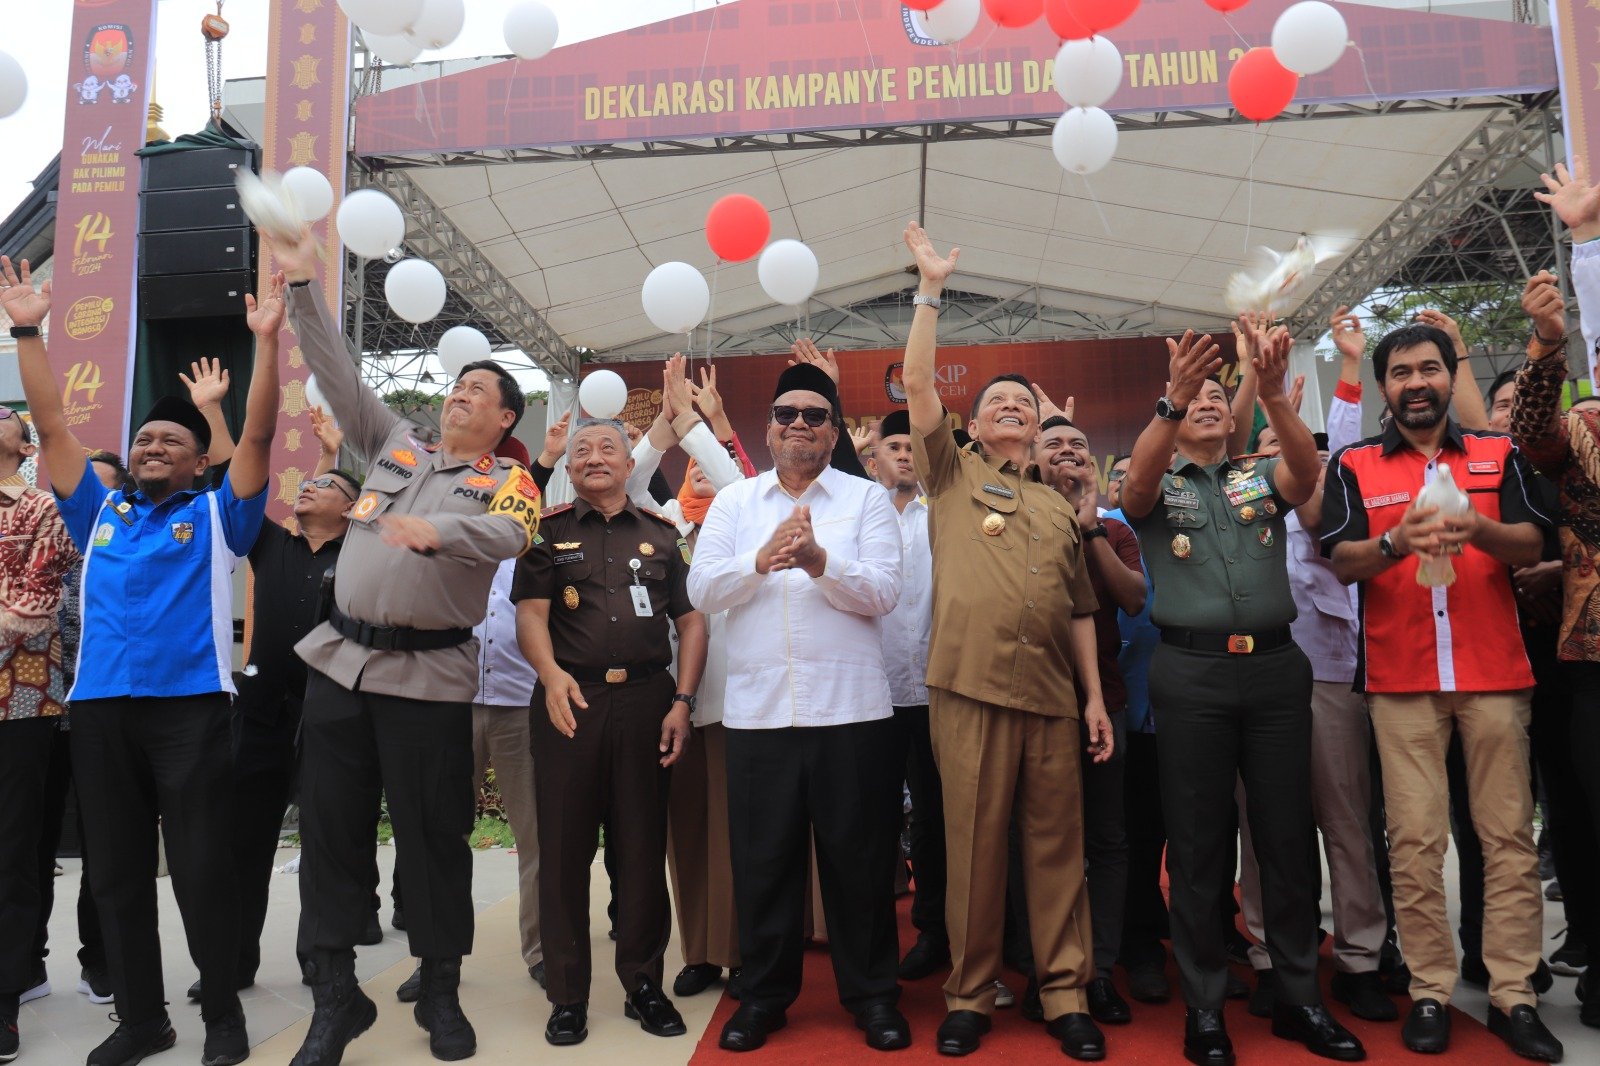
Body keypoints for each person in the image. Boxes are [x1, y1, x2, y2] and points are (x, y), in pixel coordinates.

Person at [270, 228, 542, 1066]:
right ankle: (334, 996)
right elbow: (336, 370)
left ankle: (442, 988)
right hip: (340, 667)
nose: (460, 395)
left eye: (478, 391)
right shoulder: (393, 444)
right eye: (458, 385)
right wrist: (304, 286)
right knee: (330, 832)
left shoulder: (508, 480)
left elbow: (511, 536)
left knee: (432, 838)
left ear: (503, 418)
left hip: (428, 678)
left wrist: (443, 531)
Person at [2, 255, 280, 1066]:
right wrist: (27, 331)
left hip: (190, 711)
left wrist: (267, 343)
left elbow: (258, 437)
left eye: (172, 441)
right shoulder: (97, 514)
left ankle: (221, 1014)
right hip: (99, 712)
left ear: (198, 462)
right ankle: (141, 1019)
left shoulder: (220, 518)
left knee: (199, 869)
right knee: (116, 876)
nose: (154, 445)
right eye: (145, 439)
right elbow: (53, 427)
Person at [1121, 319, 1363, 1065]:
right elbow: (1133, 490)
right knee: (1197, 846)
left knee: (1286, 838)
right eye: (1194, 401)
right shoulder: (1160, 485)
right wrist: (1172, 400)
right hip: (1190, 675)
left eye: (1217, 400)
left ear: (1236, 419)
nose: (1207, 405)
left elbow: (1305, 475)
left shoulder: (1257, 479)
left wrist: (1277, 397)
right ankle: (1203, 1007)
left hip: (1275, 670)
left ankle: (1297, 997)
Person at [899, 222, 1111, 1061]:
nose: (1012, 408)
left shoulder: (1061, 504)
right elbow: (920, 381)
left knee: (1058, 851)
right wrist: (930, 290)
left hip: (1053, 699)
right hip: (970, 690)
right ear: (976, 427)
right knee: (976, 851)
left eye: (1024, 402)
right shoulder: (950, 473)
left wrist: (1094, 699)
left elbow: (1081, 608)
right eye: (997, 404)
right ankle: (969, 994)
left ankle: (1064, 993)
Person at [1322, 316, 1560, 1061]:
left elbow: (1535, 541)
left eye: (1428, 369)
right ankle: (1430, 990)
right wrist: (1398, 540)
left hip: (1495, 675)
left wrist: (1472, 529)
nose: (1416, 383)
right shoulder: (1354, 463)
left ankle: (1515, 995)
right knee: (1415, 842)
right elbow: (1342, 560)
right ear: (1383, 388)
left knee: (1507, 839)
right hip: (1401, 681)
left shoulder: (1499, 452)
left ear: (1448, 376)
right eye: (1400, 373)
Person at [688, 361, 908, 1054]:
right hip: (759, 716)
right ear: (769, 429)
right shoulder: (735, 503)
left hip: (853, 714)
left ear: (835, 432)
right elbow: (702, 589)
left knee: (859, 866)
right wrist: (758, 562)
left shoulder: (866, 500)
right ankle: (764, 996)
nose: (800, 425)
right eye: (787, 415)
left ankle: (873, 996)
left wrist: (819, 562)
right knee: (764, 865)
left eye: (816, 416)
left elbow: (884, 591)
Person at [512, 416, 706, 1049]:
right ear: (569, 469)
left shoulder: (662, 533)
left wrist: (683, 700)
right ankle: (567, 995)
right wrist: (550, 676)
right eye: (582, 451)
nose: (593, 457)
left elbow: (692, 622)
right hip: (571, 702)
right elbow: (531, 616)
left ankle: (643, 985)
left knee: (642, 846)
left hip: (649, 701)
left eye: (607, 449)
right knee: (563, 850)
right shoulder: (547, 532)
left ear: (630, 465)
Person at [1233, 312, 1396, 1025]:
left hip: (1329, 673)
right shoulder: (1244, 498)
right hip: (1258, 679)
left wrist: (1352, 367)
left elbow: (1344, 447)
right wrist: (1254, 382)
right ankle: (1270, 955)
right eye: (1269, 445)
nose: (1285, 454)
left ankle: (1361, 957)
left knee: (1346, 821)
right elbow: (1221, 455)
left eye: (1297, 444)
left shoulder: (1328, 498)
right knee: (1262, 825)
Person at [223, 403, 357, 1001]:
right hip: (259, 712)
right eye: (306, 485)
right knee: (244, 841)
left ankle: (319, 957)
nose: (308, 489)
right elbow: (236, 471)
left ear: (352, 509)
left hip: (329, 714)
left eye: (323, 487)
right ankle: (233, 961)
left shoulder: (360, 557)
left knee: (324, 843)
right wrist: (213, 411)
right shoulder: (271, 544)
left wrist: (333, 457)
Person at [1513, 170, 1600, 1028]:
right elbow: (1529, 431)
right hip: (1589, 657)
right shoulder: (1581, 433)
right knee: (1584, 814)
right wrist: (1548, 343)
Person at [1034, 414, 1145, 1026]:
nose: (1068, 451)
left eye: (1078, 443)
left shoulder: (1114, 529)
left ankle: (1099, 970)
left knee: (1106, 838)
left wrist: (1090, 527)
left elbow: (1133, 598)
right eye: (1053, 443)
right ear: (1033, 457)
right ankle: (1044, 967)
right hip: (1035, 700)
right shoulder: (1016, 517)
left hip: (1105, 700)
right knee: (1040, 840)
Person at [0, 405, 79, 1063]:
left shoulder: (43, 511)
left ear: (25, 446)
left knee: (12, 850)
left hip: (19, 701)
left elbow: (34, 607)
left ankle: (5, 998)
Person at [866, 409, 949, 984]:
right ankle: (870, 946)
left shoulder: (943, 512)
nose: (902, 454)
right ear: (872, 459)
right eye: (892, 445)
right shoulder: (857, 515)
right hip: (870, 695)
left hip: (938, 691)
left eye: (911, 445)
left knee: (935, 819)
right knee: (871, 822)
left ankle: (935, 930)